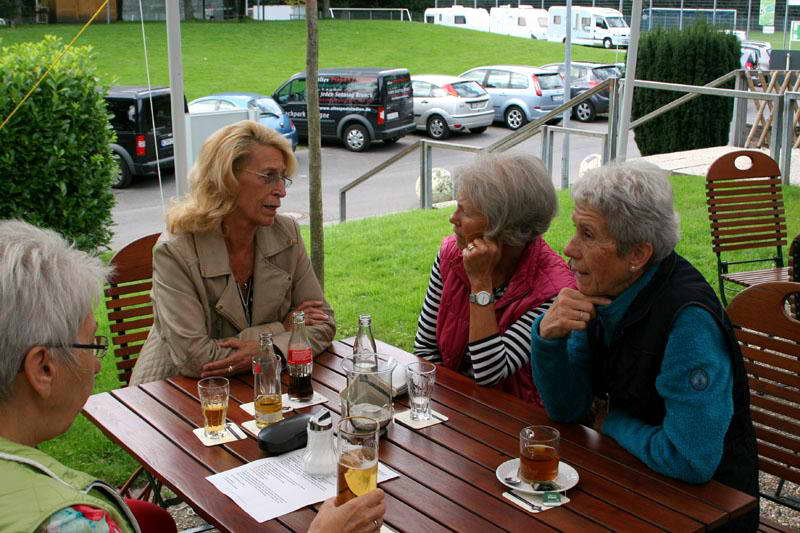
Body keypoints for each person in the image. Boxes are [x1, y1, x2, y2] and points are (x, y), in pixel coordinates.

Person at [0, 220, 385, 533]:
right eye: (93, 345)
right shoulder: (69, 522)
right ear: (43, 369)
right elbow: (197, 356)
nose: (98, 365)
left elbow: (320, 321)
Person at [530, 162, 759, 531]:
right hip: (631, 481)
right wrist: (547, 340)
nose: (569, 247)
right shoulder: (605, 291)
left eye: (587, 234)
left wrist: (610, 422)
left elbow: (690, 459)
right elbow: (567, 409)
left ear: (637, 255)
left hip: (706, 513)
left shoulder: (688, 322)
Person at [131, 120, 336, 385]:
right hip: (179, 390)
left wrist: (268, 350)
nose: (282, 191)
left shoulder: (286, 233)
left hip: (260, 385)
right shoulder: (175, 251)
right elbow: (196, 359)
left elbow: (323, 323)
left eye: (283, 178)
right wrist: (280, 331)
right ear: (226, 179)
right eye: (268, 176)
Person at [414, 153, 575, 404]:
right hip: (453, 403)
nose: (453, 218)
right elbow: (425, 350)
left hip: (514, 416)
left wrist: (480, 282)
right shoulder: (451, 255)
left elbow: (490, 373)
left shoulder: (554, 290)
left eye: (465, 212)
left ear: (503, 226)